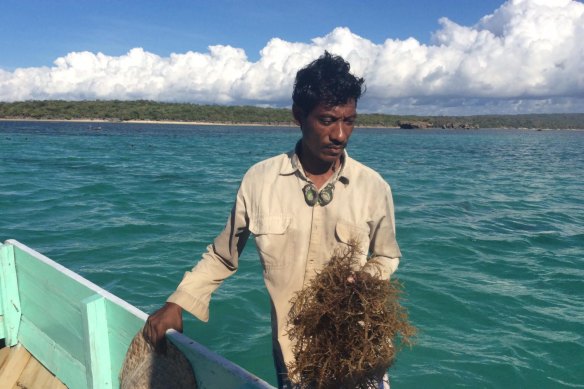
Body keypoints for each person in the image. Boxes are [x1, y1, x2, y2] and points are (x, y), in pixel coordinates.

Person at [143, 51, 401, 388]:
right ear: (299, 115)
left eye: (349, 120)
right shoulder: (259, 180)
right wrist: (178, 300)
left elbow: (387, 255)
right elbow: (223, 255)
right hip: (293, 355)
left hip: (358, 352)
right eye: (327, 120)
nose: (340, 134)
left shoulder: (374, 187)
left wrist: (367, 277)